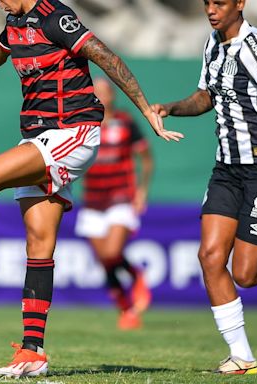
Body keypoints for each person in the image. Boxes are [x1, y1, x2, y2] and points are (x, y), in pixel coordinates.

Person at [0, 0, 182, 378]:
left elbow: (107, 56)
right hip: (39, 137)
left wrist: (145, 107)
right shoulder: (15, 24)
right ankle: (33, 351)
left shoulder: (55, 18)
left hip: (74, 132)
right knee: (38, 243)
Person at [152, 0, 257, 375]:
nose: (212, 10)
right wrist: (170, 107)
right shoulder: (213, 43)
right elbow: (205, 97)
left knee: (246, 274)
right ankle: (242, 358)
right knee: (210, 257)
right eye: (207, 3)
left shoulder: (255, 45)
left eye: (220, 3)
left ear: (240, 4)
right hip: (226, 170)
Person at [75, 77, 153, 330]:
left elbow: (146, 157)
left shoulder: (125, 121)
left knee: (111, 253)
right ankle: (126, 309)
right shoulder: (82, 123)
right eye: (94, 91)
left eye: (103, 91)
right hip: (93, 200)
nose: (99, 95)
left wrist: (141, 192)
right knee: (105, 261)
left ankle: (135, 275)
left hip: (120, 197)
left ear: (112, 95)